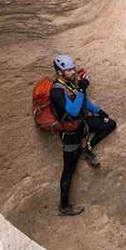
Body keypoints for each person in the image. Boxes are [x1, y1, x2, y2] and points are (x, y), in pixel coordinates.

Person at [49, 53, 117, 216]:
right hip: (70, 132)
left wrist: (100, 112)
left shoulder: (70, 84)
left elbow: (84, 102)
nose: (73, 72)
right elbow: (72, 110)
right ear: (60, 72)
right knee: (68, 170)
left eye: (73, 69)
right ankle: (64, 206)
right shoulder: (56, 91)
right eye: (69, 70)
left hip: (82, 124)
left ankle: (87, 149)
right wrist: (81, 88)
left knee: (110, 124)